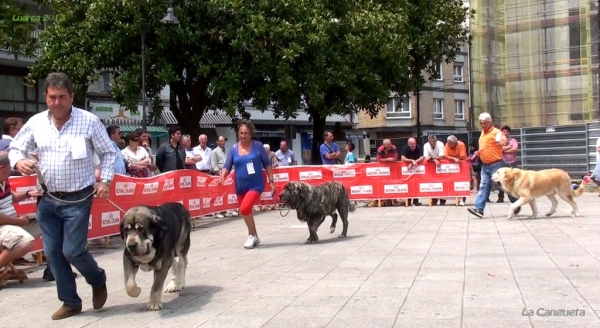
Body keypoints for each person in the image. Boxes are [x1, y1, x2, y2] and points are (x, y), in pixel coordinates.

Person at [8, 72, 116, 320]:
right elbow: (15, 147)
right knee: (53, 253)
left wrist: (105, 181)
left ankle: (97, 278)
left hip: (78, 198)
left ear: (71, 97)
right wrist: (20, 160)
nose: (57, 102)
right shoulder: (36, 123)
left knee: (73, 251)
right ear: (45, 97)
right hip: (47, 199)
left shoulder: (88, 121)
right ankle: (70, 302)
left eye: (62, 97)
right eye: (52, 97)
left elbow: (109, 154)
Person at [219, 119, 274, 249]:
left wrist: (271, 181)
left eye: (246, 133)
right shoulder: (233, 149)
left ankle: (252, 235)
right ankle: (253, 235)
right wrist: (222, 176)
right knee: (246, 211)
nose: (243, 136)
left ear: (251, 134)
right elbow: (227, 165)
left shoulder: (258, 146)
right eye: (241, 133)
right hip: (240, 186)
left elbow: (267, 164)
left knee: (244, 208)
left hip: (256, 185)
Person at [467, 113, 521, 218]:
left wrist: (502, 143)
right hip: (485, 165)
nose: (482, 125)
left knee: (504, 186)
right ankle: (479, 209)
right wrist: (479, 152)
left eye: (484, 123)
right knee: (483, 186)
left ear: (490, 122)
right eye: (481, 123)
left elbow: (503, 138)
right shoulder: (483, 132)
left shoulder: (496, 132)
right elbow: (486, 145)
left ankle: (516, 204)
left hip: (497, 164)